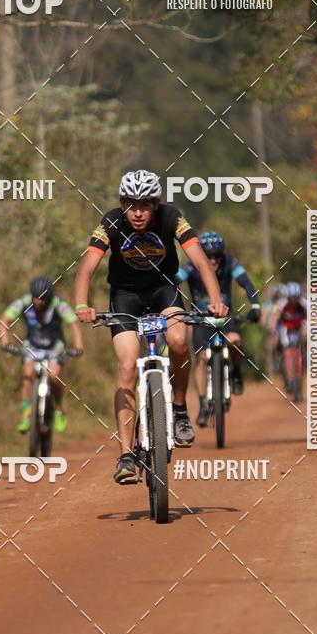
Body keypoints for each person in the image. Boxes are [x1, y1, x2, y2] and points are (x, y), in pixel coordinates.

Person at [74, 169, 227, 484]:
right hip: (125, 297)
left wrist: (215, 300)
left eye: (145, 205)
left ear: (156, 204)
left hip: (164, 292)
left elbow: (199, 261)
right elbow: (87, 268)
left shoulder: (172, 218)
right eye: (131, 205)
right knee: (127, 365)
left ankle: (180, 409)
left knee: (179, 339)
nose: (138, 212)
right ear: (122, 203)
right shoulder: (111, 222)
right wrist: (81, 305)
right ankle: (126, 455)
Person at [176, 231, 261, 426]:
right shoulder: (190, 266)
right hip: (200, 318)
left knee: (235, 339)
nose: (213, 261)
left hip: (225, 316)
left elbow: (246, 284)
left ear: (222, 254)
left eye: (217, 256)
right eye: (208, 256)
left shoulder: (230, 263)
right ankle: (203, 405)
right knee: (201, 359)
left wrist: (255, 306)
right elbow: (173, 281)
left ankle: (237, 372)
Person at [0, 275, 83, 433]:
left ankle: (58, 410)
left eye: (43, 300)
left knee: (54, 376)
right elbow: (4, 320)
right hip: (32, 345)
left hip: (55, 346)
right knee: (27, 375)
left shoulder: (58, 304)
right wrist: (5, 342)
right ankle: (26, 414)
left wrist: (78, 346)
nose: (38, 302)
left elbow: (73, 322)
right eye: (36, 299)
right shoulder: (23, 302)